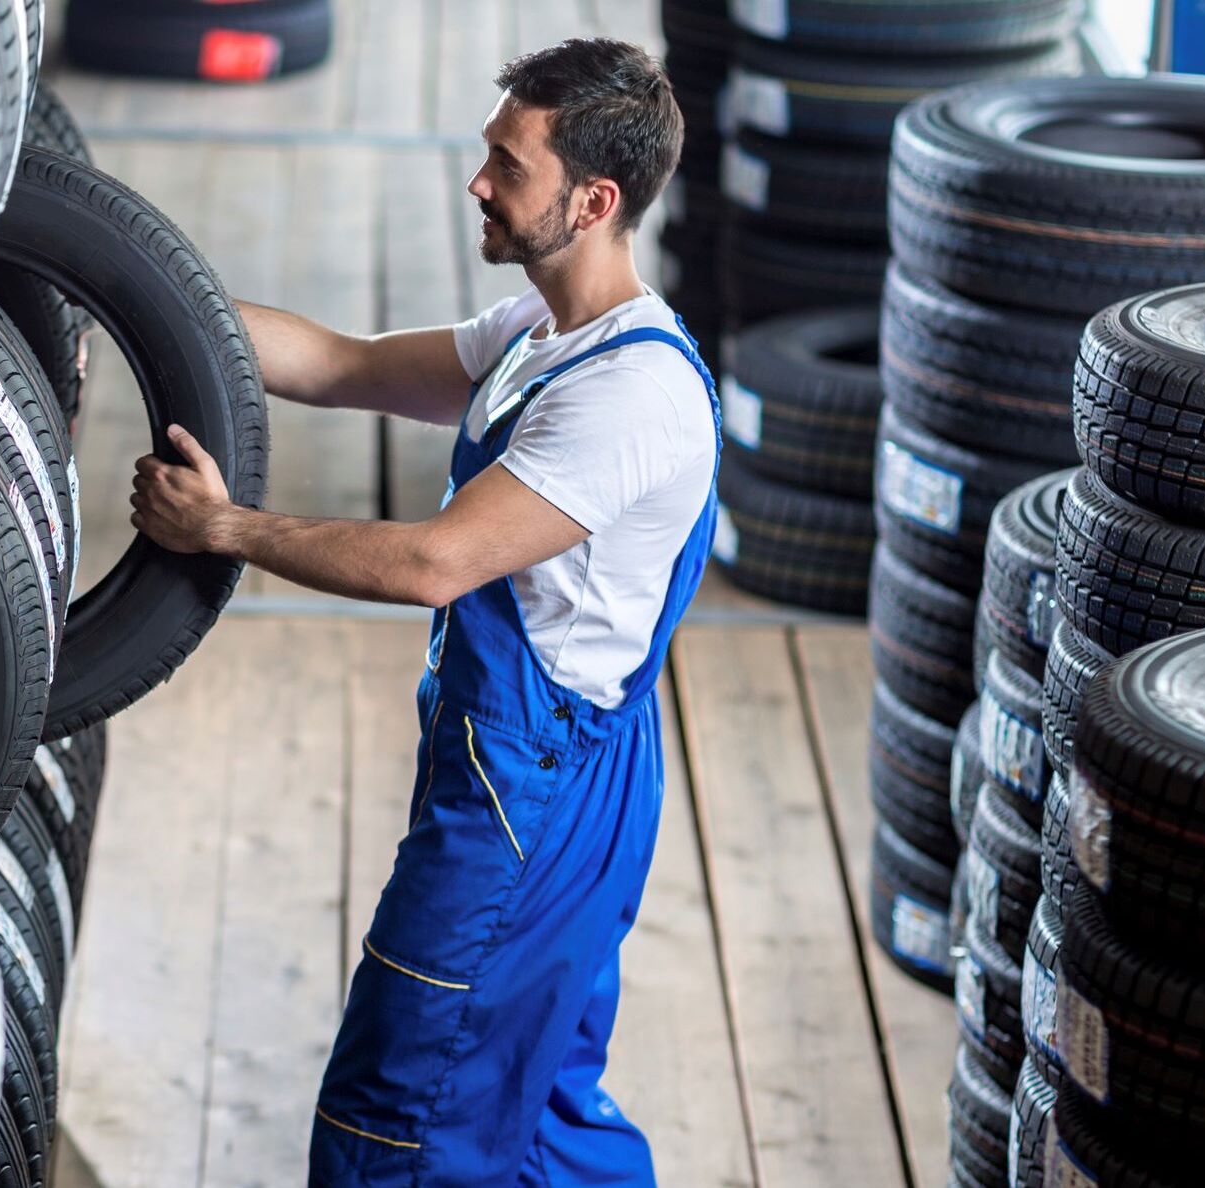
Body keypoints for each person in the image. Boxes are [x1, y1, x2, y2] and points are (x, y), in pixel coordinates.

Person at [130, 37, 711, 1187]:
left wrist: (227, 529)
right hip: (530, 770)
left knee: (400, 1113)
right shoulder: (542, 338)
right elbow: (340, 365)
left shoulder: (628, 396)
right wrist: (136, 294)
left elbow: (433, 565)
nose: (479, 181)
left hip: (539, 801)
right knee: (530, 1101)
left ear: (592, 201)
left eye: (509, 163)